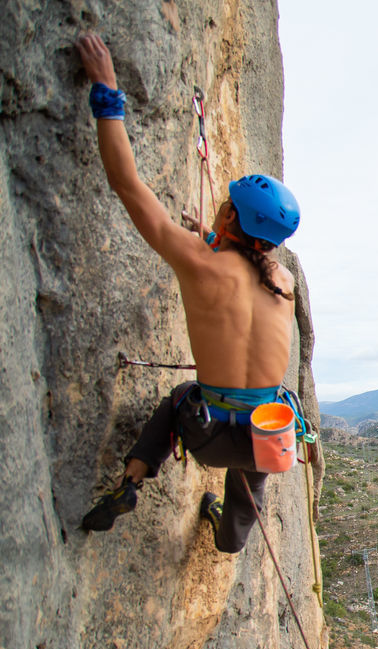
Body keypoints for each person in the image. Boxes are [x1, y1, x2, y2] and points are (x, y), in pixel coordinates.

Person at [76, 34, 302, 553]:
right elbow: (248, 268)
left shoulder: (199, 263)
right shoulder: (283, 282)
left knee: (178, 399)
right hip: (268, 436)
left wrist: (107, 90)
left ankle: (132, 480)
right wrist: (212, 236)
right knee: (252, 482)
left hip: (205, 433)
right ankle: (230, 536)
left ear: (230, 216)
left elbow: (128, 185)